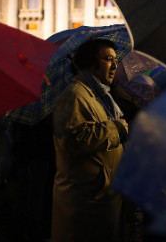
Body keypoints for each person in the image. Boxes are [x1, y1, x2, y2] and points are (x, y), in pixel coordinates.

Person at [51, 39, 129, 242]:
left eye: (115, 60)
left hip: (100, 199)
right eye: (108, 59)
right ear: (90, 63)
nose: (114, 66)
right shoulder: (74, 95)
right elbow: (73, 140)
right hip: (84, 204)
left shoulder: (99, 95)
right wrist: (116, 129)